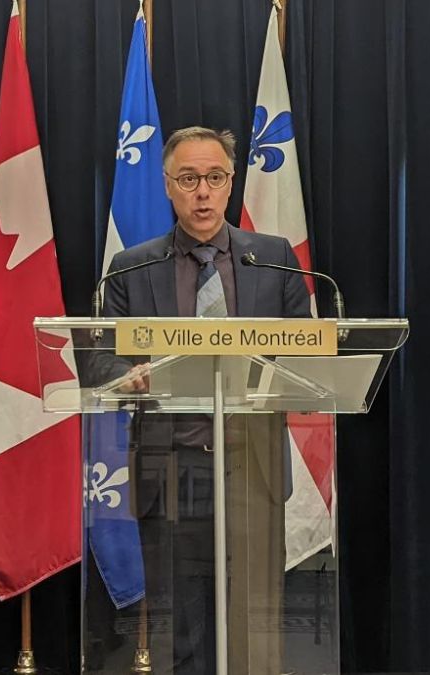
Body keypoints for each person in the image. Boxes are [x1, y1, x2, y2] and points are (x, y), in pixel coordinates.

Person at [98, 126, 311, 675]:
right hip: (172, 468)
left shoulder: (274, 258)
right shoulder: (132, 268)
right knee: (184, 631)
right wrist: (127, 376)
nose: (203, 192)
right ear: (167, 185)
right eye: (189, 179)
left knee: (253, 626)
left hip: (253, 464)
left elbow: (307, 353)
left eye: (215, 177)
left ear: (231, 182)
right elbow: (99, 359)